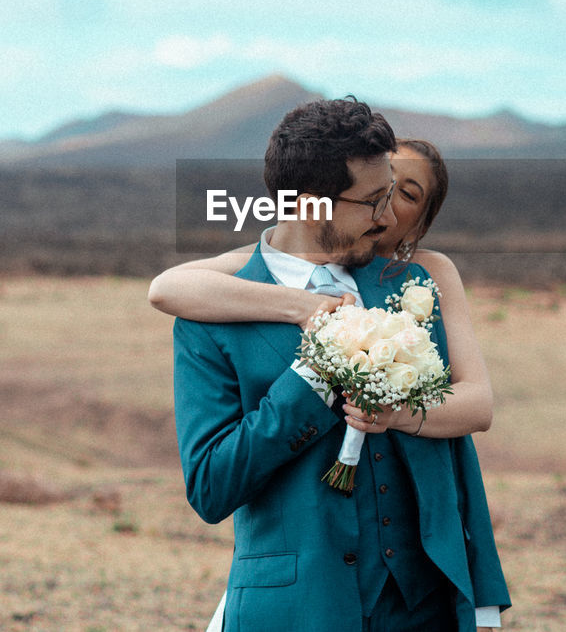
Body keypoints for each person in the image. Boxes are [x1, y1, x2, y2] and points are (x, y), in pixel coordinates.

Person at [162, 98, 510, 631]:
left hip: (425, 607)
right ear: (310, 205)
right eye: (373, 201)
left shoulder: (414, 282)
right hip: (293, 611)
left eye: (392, 196)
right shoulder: (210, 314)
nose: (389, 217)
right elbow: (211, 489)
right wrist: (313, 376)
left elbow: (471, 416)